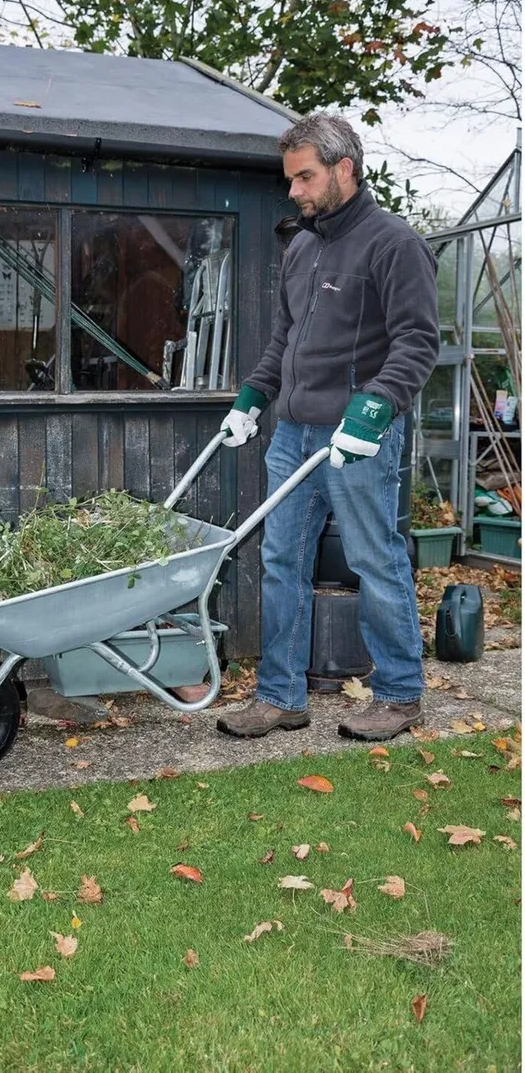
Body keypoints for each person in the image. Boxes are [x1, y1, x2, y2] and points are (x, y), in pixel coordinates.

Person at [217, 113, 439, 743]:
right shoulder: (304, 246)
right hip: (293, 434)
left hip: (355, 437)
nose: (294, 191)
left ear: (345, 169)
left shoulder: (394, 244)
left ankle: (399, 694)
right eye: (290, 179)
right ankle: (280, 696)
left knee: (374, 557)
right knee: (282, 557)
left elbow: (418, 342)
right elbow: (286, 338)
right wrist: (253, 398)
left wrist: (372, 411)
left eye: (305, 177)